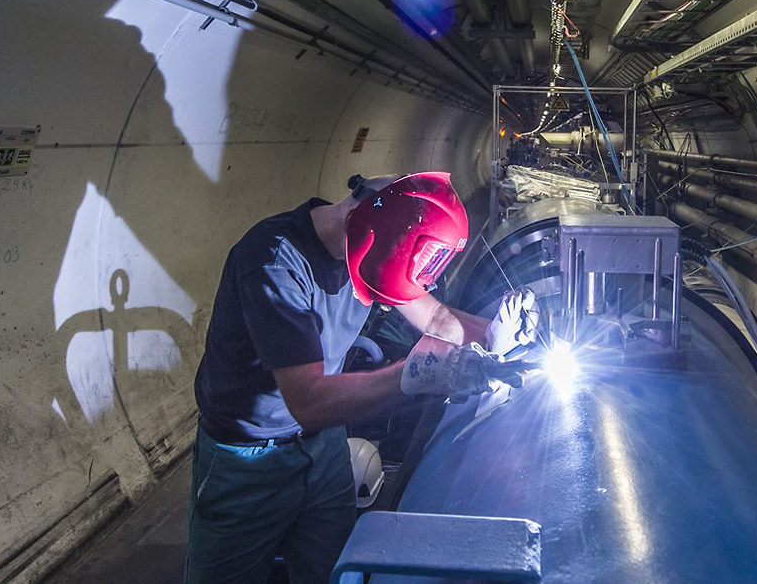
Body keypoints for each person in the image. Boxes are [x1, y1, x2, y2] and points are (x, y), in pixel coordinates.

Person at [184, 172, 537, 584]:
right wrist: (416, 374)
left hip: (324, 448)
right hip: (247, 463)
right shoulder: (273, 263)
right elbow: (309, 401)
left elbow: (437, 318)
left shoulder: (374, 239)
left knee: (337, 571)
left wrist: (498, 333)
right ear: (366, 231)